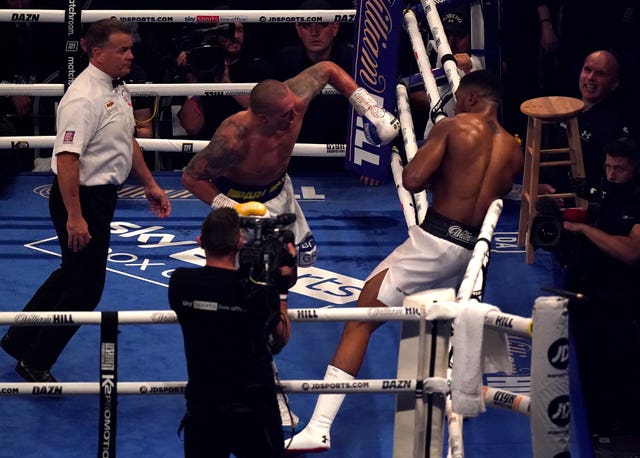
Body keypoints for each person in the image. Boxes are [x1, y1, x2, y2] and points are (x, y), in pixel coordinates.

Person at [286, 70, 524, 452]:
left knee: (360, 321)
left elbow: (412, 180)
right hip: (470, 252)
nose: (455, 103)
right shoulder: (514, 148)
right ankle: (457, 405)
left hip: (433, 244)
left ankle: (319, 427)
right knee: (436, 330)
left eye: (459, 97)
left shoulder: (455, 127)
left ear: (473, 98)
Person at [0, 18, 171, 383]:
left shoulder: (118, 87)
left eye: (130, 48)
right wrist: (75, 217)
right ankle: (35, 360)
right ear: (97, 53)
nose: (131, 55)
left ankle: (19, 338)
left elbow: (127, 138)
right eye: (122, 49)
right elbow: (66, 159)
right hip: (80, 200)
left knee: (70, 275)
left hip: (99, 198)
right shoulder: (82, 97)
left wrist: (151, 184)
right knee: (86, 289)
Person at [181, 60, 400, 267]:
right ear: (263, 119)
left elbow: (328, 68)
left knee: (299, 262)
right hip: (240, 206)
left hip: (280, 191)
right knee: (247, 277)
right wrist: (234, 208)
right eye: (286, 114)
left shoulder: (295, 100)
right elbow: (191, 178)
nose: (295, 114)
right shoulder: (233, 139)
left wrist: (369, 108)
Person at [169, 206, 296, 458]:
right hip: (253, 409)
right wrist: (280, 288)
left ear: (200, 242)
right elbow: (279, 338)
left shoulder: (180, 282)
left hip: (203, 408)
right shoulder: (256, 289)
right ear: (239, 243)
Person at [559, 137, 640, 448]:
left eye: (619, 168)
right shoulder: (603, 189)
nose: (611, 174)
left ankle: (616, 433)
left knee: (615, 365)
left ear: (634, 168)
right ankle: (589, 424)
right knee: (586, 358)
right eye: (608, 166)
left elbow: (632, 252)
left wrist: (585, 230)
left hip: (622, 300)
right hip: (589, 289)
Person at [539, 50, 633, 198]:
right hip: (547, 196)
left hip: (583, 204)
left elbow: (614, 177)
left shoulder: (615, 124)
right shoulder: (564, 108)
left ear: (614, 83)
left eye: (600, 74)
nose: (590, 78)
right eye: (587, 70)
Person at [176, 20, 276, 140]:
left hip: (249, 148)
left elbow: (268, 116)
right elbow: (192, 127)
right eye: (226, 31)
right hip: (209, 149)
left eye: (239, 30)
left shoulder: (259, 67)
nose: (235, 36)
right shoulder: (198, 68)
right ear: (213, 34)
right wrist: (192, 84)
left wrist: (228, 85)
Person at [275, 0, 354, 145]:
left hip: (344, 144)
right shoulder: (287, 58)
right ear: (298, 30)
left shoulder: (352, 58)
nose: (314, 32)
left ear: (335, 27)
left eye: (322, 24)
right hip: (300, 146)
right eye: (307, 25)